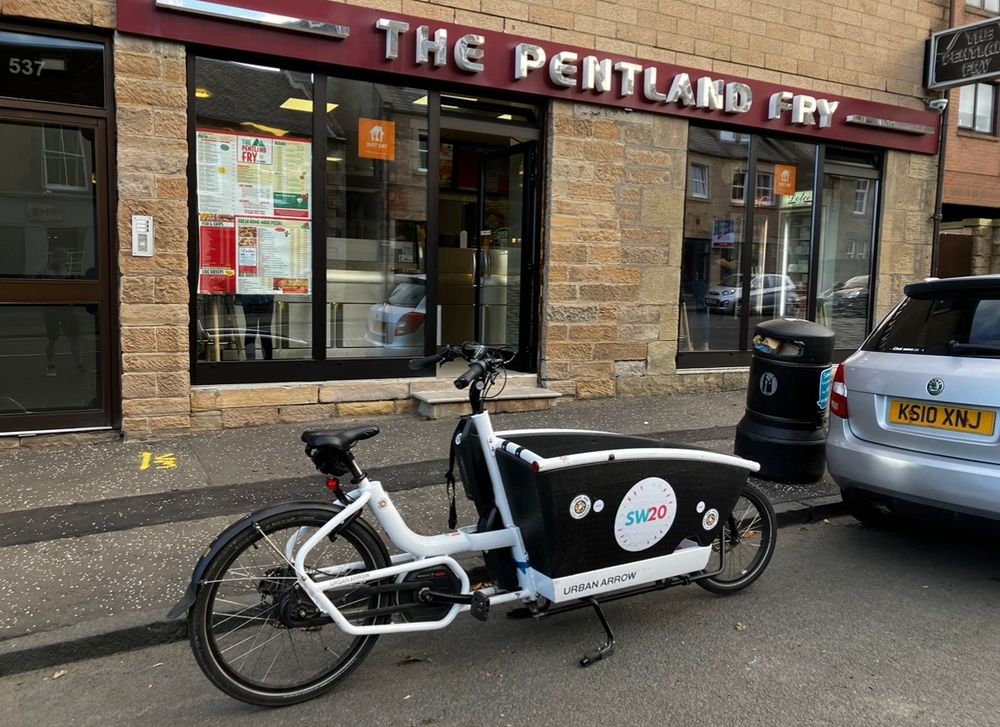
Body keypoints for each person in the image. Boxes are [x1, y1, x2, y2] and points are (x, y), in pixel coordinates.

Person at [40, 249, 84, 376]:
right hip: (51, 308)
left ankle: (79, 364)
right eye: (62, 259)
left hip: (67, 307)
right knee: (52, 337)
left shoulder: (67, 270)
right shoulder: (43, 271)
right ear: (54, 258)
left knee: (75, 336)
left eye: (65, 259)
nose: (64, 261)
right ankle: (51, 365)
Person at [237, 294, 274, 360]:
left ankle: (250, 361)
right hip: (265, 297)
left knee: (251, 330)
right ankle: (268, 361)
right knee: (265, 330)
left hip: (248, 297)